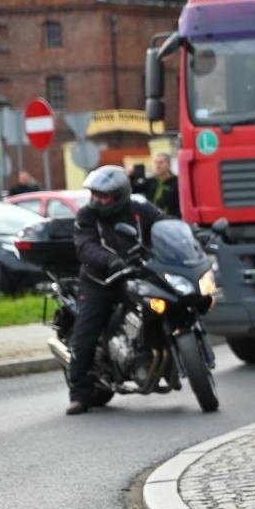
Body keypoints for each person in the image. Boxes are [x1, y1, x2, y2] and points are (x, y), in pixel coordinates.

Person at [65, 165, 165, 415]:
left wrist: (192, 237)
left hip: (138, 275)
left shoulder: (141, 210)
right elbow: (85, 246)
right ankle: (79, 393)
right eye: (95, 194)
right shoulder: (87, 216)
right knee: (85, 333)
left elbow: (165, 224)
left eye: (104, 195)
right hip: (100, 281)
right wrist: (111, 261)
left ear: (121, 194)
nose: (98, 200)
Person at [146, 153, 181, 218]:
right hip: (152, 220)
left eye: (161, 162)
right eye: (156, 163)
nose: (158, 166)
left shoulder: (177, 182)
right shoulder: (150, 181)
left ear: (169, 164)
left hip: (171, 220)